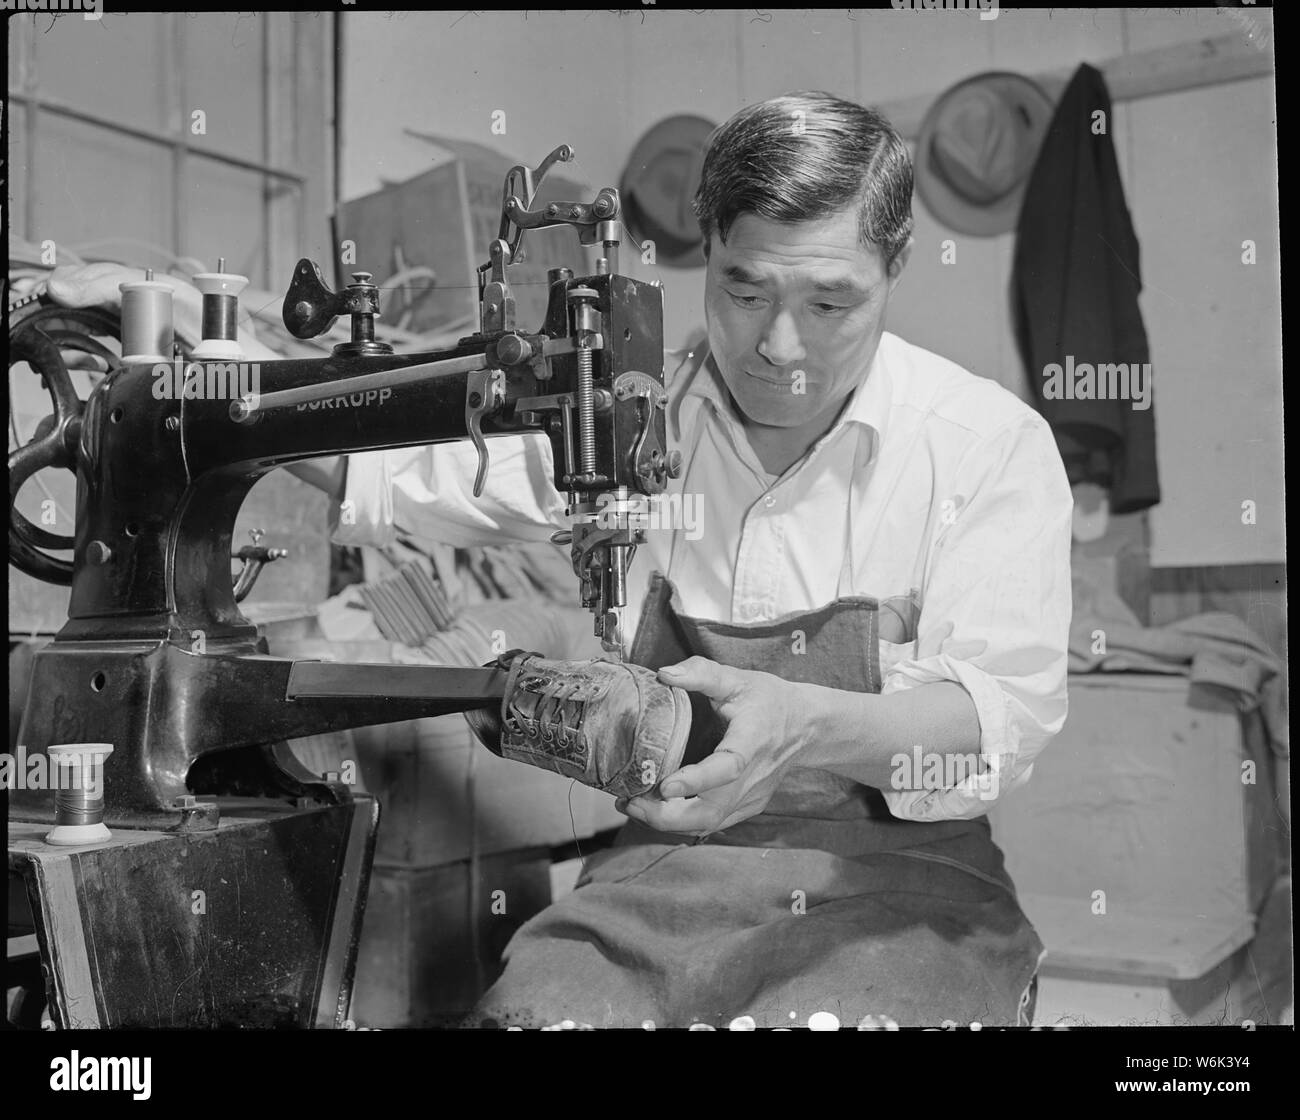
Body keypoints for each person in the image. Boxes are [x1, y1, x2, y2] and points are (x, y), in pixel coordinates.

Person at [48, 91, 1072, 1029]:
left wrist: (804, 730)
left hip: (898, 886)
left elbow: (997, 716)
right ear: (702, 251)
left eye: (831, 303)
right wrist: (198, 368)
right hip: (669, 873)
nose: (780, 346)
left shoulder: (982, 446)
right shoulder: (630, 413)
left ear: (895, 265)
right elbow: (395, 477)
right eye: (744, 291)